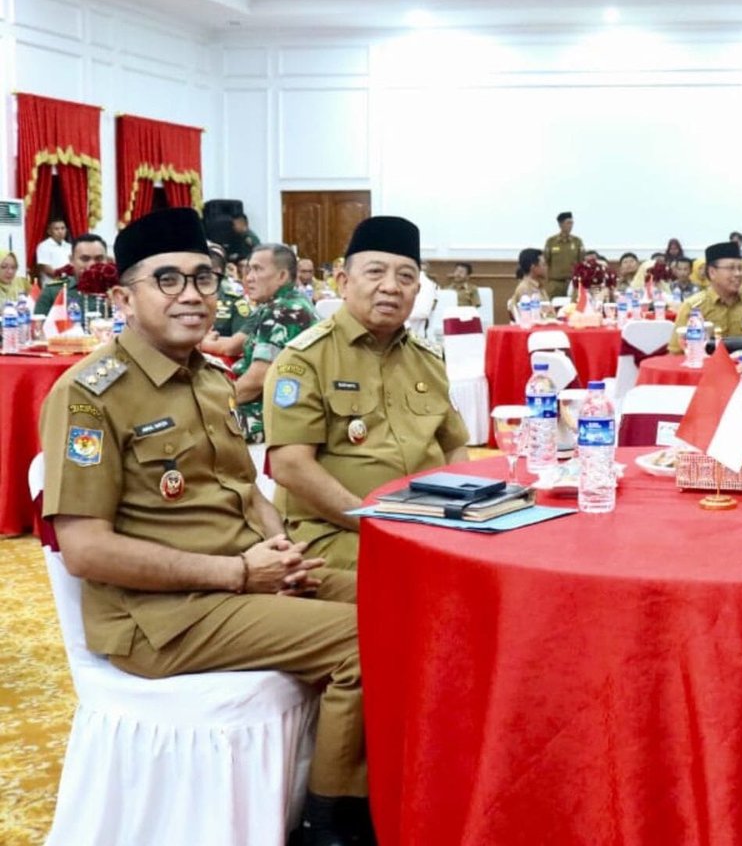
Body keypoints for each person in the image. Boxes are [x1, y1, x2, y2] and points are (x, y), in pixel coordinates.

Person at [39, 207, 370, 845]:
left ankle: (383, 783)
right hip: (159, 617)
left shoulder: (211, 378)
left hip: (241, 579)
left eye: (202, 278)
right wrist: (240, 573)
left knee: (403, 602)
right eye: (166, 279)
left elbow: (246, 489)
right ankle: (329, 825)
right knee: (362, 641)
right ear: (123, 299)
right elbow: (85, 550)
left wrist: (277, 545)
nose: (190, 294)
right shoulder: (89, 395)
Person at [265, 216, 471, 570]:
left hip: (427, 524)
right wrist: (375, 520)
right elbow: (291, 467)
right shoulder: (305, 359)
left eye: (405, 277)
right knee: (427, 577)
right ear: (343, 282)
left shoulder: (428, 359)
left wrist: (460, 513)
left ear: (417, 290)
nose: (391, 287)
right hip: (337, 530)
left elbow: (454, 446)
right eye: (376, 272)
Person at [231, 244, 319, 443]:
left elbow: (256, 381)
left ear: (282, 276)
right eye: (249, 270)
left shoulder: (284, 311)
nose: (249, 277)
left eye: (257, 269)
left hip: (274, 414)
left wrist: (210, 404)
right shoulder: (286, 302)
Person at [668, 242, 742, 353]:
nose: (738, 274)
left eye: (740, 268)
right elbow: (676, 352)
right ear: (712, 272)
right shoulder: (693, 307)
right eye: (731, 268)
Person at [34, 233, 109, 316]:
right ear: (71, 260)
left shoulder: (115, 290)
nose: (91, 265)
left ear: (107, 260)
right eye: (85, 259)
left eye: (99, 259)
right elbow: (38, 322)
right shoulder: (53, 291)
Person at [544, 212, 584, 292]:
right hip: (555, 284)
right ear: (560, 224)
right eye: (568, 223)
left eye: (572, 223)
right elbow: (545, 262)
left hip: (572, 283)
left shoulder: (577, 242)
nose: (571, 225)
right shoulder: (551, 242)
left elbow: (581, 262)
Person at [507, 248, 547, 314]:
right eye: (544, 264)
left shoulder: (538, 286)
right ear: (533, 267)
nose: (546, 268)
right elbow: (536, 316)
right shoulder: (525, 289)